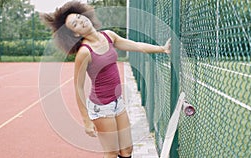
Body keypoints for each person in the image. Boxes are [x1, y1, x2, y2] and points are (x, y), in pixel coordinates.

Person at [40, 1, 171, 158]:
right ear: (75, 34)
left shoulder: (108, 36)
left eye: (79, 17)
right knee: (111, 153)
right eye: (75, 24)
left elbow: (135, 45)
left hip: (118, 101)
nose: (81, 21)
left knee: (127, 150)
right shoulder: (84, 52)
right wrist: (86, 121)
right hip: (101, 107)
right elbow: (78, 87)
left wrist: (162, 49)